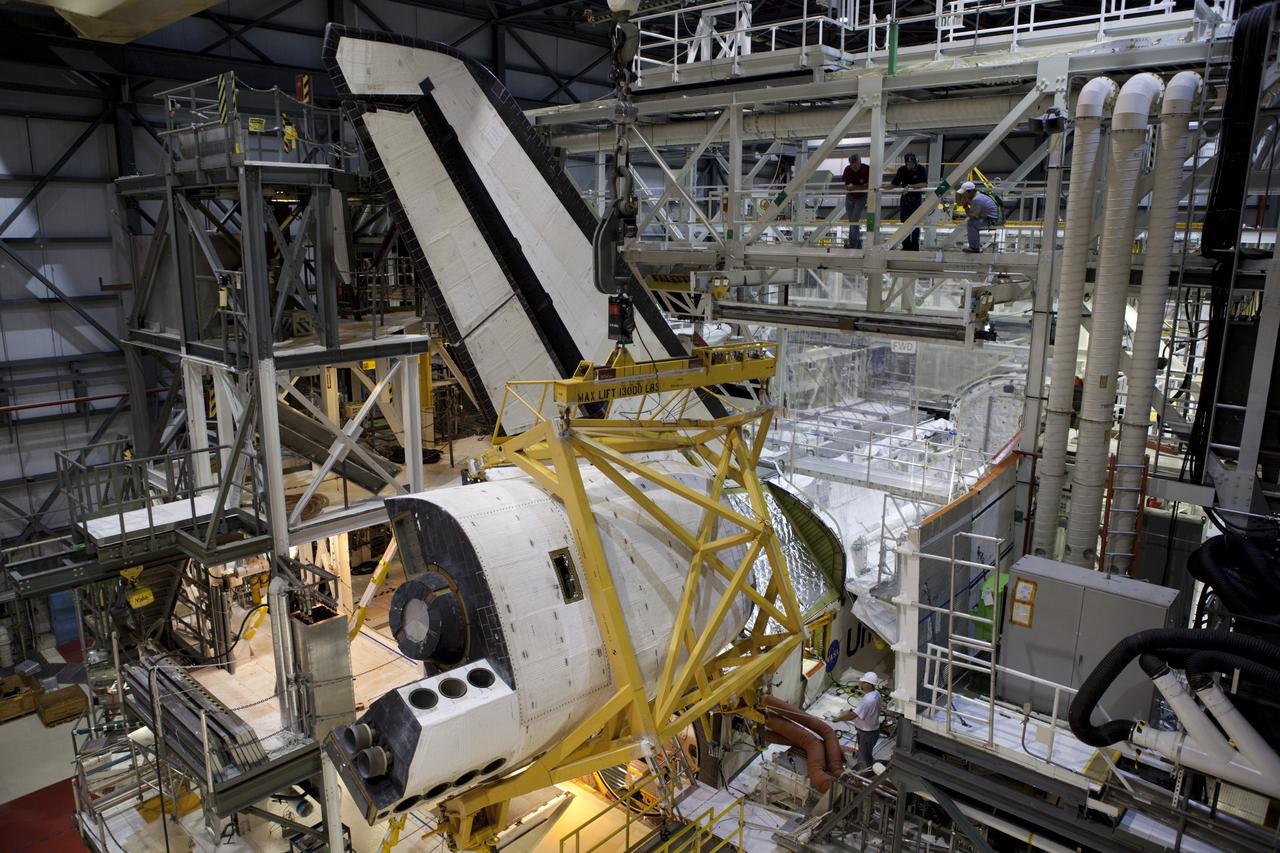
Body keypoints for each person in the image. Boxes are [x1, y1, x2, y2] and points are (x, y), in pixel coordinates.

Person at [833, 671, 882, 770]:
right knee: (865, 752)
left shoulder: (868, 700)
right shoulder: (876, 694)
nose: (861, 684)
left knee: (864, 758)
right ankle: (865, 762)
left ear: (868, 685)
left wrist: (839, 718)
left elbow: (853, 716)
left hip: (867, 734)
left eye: (863, 682)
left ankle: (864, 775)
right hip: (872, 731)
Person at [882, 153, 928, 251]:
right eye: (908, 163)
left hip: (916, 199)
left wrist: (910, 186)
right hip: (905, 199)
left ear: (915, 162)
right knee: (904, 223)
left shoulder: (921, 169)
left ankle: (915, 246)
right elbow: (894, 184)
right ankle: (905, 245)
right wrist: (882, 187)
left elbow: (924, 184)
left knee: (915, 223)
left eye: (912, 162)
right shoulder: (902, 170)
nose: (910, 164)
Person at [956, 180, 998, 253]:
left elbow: (972, 216)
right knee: (972, 222)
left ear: (970, 192)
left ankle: (974, 248)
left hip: (993, 221)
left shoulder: (977, 199)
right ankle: (974, 246)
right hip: (990, 217)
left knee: (971, 224)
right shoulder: (978, 194)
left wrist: (965, 207)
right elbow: (959, 203)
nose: (963, 196)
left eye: (964, 194)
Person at [842, 154, 869, 249]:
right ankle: (857, 244)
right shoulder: (847, 169)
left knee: (854, 220)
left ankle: (853, 244)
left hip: (861, 197)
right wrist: (858, 187)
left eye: (856, 165)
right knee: (852, 221)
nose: (854, 167)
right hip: (850, 197)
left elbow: (867, 186)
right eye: (852, 165)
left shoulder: (866, 169)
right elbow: (846, 186)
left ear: (860, 163)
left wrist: (854, 187)